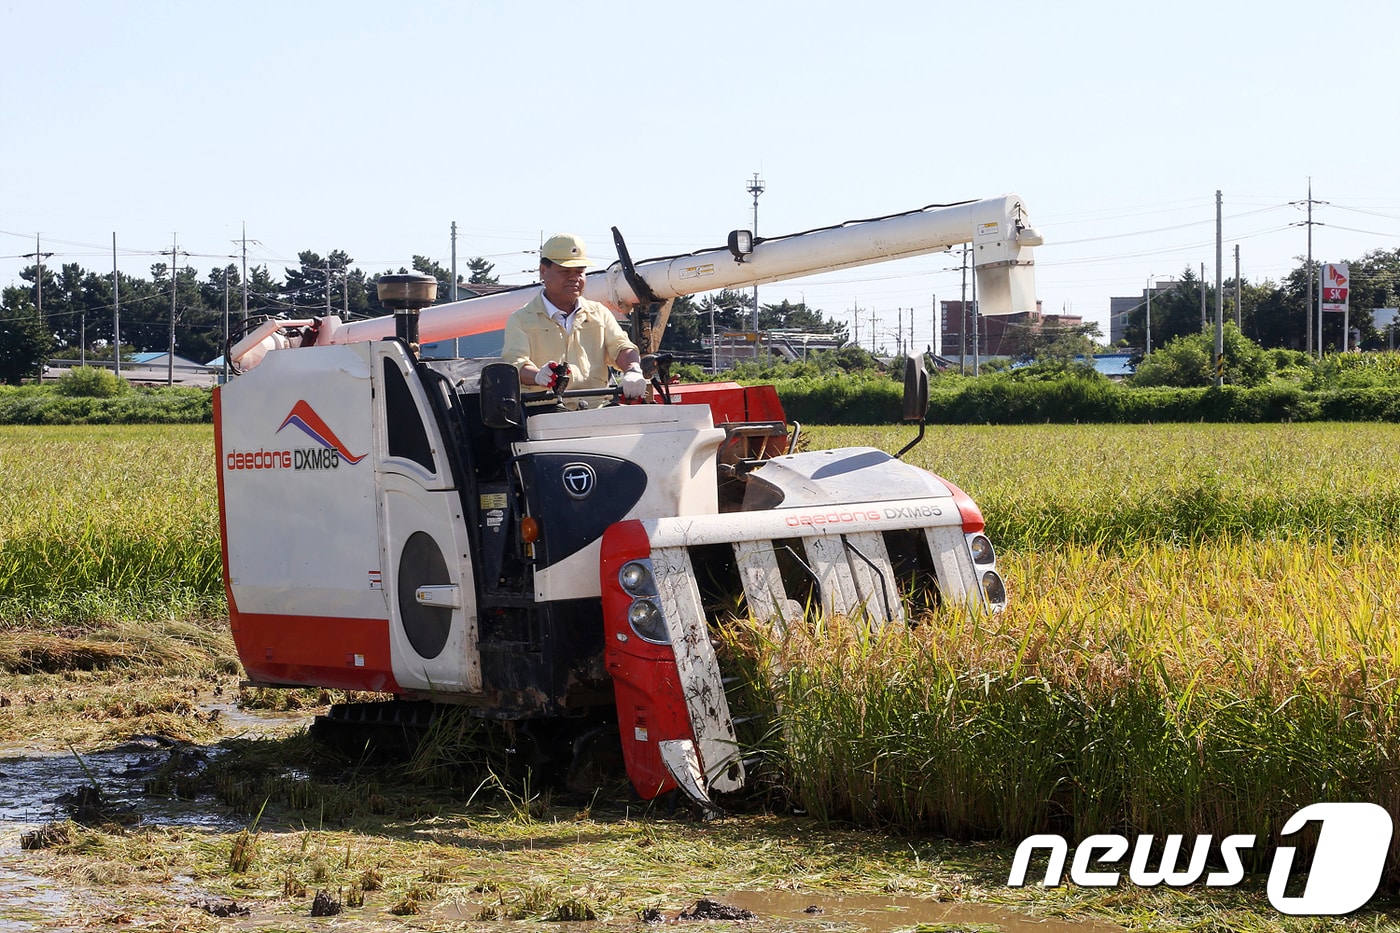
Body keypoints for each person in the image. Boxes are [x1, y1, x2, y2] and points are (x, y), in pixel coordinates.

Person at [502, 233, 647, 407]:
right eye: (565, 271)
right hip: (545, 413)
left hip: (596, 411)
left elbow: (622, 347)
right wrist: (538, 376)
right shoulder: (521, 320)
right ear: (543, 271)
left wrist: (633, 370)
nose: (574, 278)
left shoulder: (600, 313)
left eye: (580, 272)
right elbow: (515, 365)